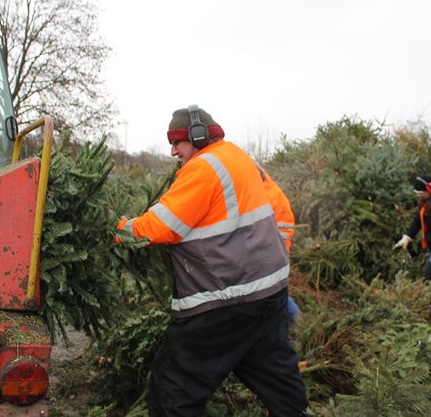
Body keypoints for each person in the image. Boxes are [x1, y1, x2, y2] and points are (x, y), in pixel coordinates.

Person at [116, 105, 309, 416]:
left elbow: (159, 227)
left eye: (177, 141)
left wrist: (119, 229)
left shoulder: (203, 168)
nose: (172, 150)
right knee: (276, 376)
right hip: (269, 293)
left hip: (225, 301)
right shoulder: (236, 157)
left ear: (197, 136)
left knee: (173, 387)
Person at [257, 164, 301, 322]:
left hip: (273, 251)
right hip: (275, 250)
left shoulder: (265, 193)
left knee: (272, 291)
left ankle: (294, 318)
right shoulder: (267, 188)